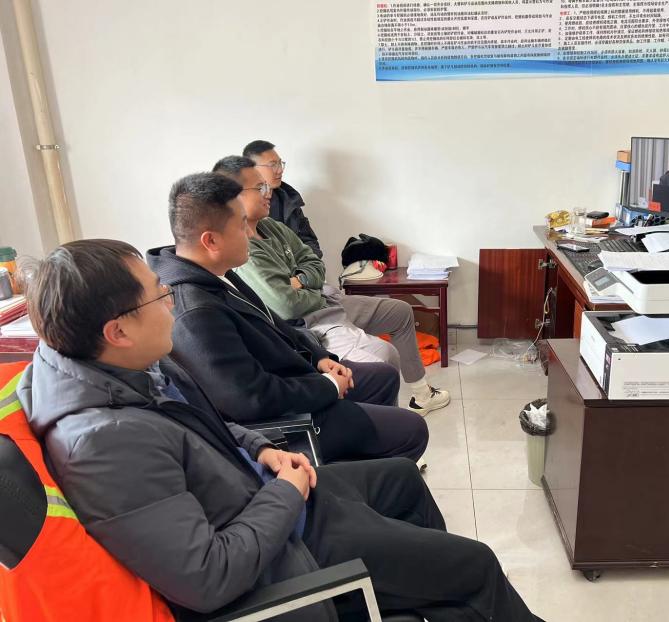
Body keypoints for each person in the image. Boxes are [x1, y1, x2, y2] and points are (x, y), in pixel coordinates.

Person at [18, 239, 543, 621]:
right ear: (118, 331)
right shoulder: (104, 443)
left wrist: (261, 448)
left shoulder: (127, 367)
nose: (171, 303)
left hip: (264, 494)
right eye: (159, 297)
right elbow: (208, 577)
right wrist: (287, 493)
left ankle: (438, 589)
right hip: (283, 552)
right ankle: (451, 587)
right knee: (474, 565)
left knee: (403, 479)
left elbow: (210, 425)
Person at [146, 172, 428, 463]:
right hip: (289, 421)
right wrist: (328, 386)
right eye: (241, 225)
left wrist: (319, 357)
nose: (250, 234)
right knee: (411, 430)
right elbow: (251, 399)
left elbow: (274, 323)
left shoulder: (216, 272)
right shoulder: (196, 313)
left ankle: (373, 464)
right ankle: (368, 473)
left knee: (384, 377)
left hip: (297, 379)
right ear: (211, 241)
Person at [212, 155, 450, 416]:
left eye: (267, 185)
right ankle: (379, 424)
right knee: (384, 356)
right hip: (308, 319)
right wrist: (311, 287)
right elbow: (286, 306)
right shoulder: (242, 250)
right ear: (233, 196)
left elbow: (314, 260)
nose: (269, 192)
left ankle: (421, 396)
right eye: (260, 187)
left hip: (326, 300)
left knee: (400, 312)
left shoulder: (273, 227)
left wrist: (301, 282)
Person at [242, 139, 323, 258]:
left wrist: (305, 267)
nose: (280, 170)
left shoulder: (290, 200)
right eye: (273, 165)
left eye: (280, 163)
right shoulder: (243, 206)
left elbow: (309, 242)